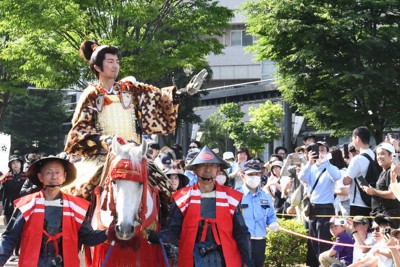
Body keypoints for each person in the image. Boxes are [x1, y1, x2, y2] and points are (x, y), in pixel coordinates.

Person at [64, 40, 207, 197]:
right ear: (97, 67)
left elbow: (157, 98)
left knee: (166, 191)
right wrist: (105, 141)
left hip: (136, 156)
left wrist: (184, 92)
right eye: (110, 62)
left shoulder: (130, 89)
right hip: (104, 157)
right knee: (80, 191)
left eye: (117, 62)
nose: (115, 66)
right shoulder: (91, 94)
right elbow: (80, 131)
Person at [147, 146, 252, 267]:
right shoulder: (183, 198)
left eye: (212, 166)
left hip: (225, 258)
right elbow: (173, 230)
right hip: (193, 258)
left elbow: (242, 233)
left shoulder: (231, 198)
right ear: (195, 170)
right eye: (202, 165)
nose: (207, 170)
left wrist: (247, 260)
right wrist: (158, 236)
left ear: (218, 170)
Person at [0, 156, 108, 266]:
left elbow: (89, 238)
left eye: (58, 173)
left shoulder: (75, 207)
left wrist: (109, 232)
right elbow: (10, 237)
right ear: (40, 177)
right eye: (49, 173)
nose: (54, 177)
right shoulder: (27, 205)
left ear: (64, 176)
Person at [298, 141, 341, 267]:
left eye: (323, 150)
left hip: (326, 208)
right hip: (313, 208)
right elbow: (301, 177)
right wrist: (310, 162)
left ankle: (324, 264)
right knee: (313, 241)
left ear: (328, 152)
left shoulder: (330, 167)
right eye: (317, 150)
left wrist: (326, 161)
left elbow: (337, 176)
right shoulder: (310, 168)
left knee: (324, 240)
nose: (319, 153)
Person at [237, 159, 278, 267]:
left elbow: (271, 216)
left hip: (260, 240)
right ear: (243, 176)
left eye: (257, 174)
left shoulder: (265, 197)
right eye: (250, 174)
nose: (254, 177)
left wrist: (273, 222)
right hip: (242, 241)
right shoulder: (236, 195)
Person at [361, 142, 400, 226]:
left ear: (391, 156)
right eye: (377, 154)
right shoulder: (384, 172)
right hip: (382, 217)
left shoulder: (393, 171)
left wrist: (373, 192)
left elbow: (393, 194)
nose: (379, 157)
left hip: (389, 219)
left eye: (382, 154)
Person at [343, 126, 377, 216]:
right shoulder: (375, 156)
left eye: (352, 138)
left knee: (357, 229)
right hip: (373, 201)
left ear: (357, 138)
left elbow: (346, 181)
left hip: (358, 202)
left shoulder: (357, 159)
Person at [0, 155, 28, 224]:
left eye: (17, 162)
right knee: (9, 223)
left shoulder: (26, 176)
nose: (15, 164)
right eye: (13, 163)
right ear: (10, 165)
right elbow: (2, 191)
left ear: (21, 164)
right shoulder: (6, 177)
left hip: (22, 203)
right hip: (9, 203)